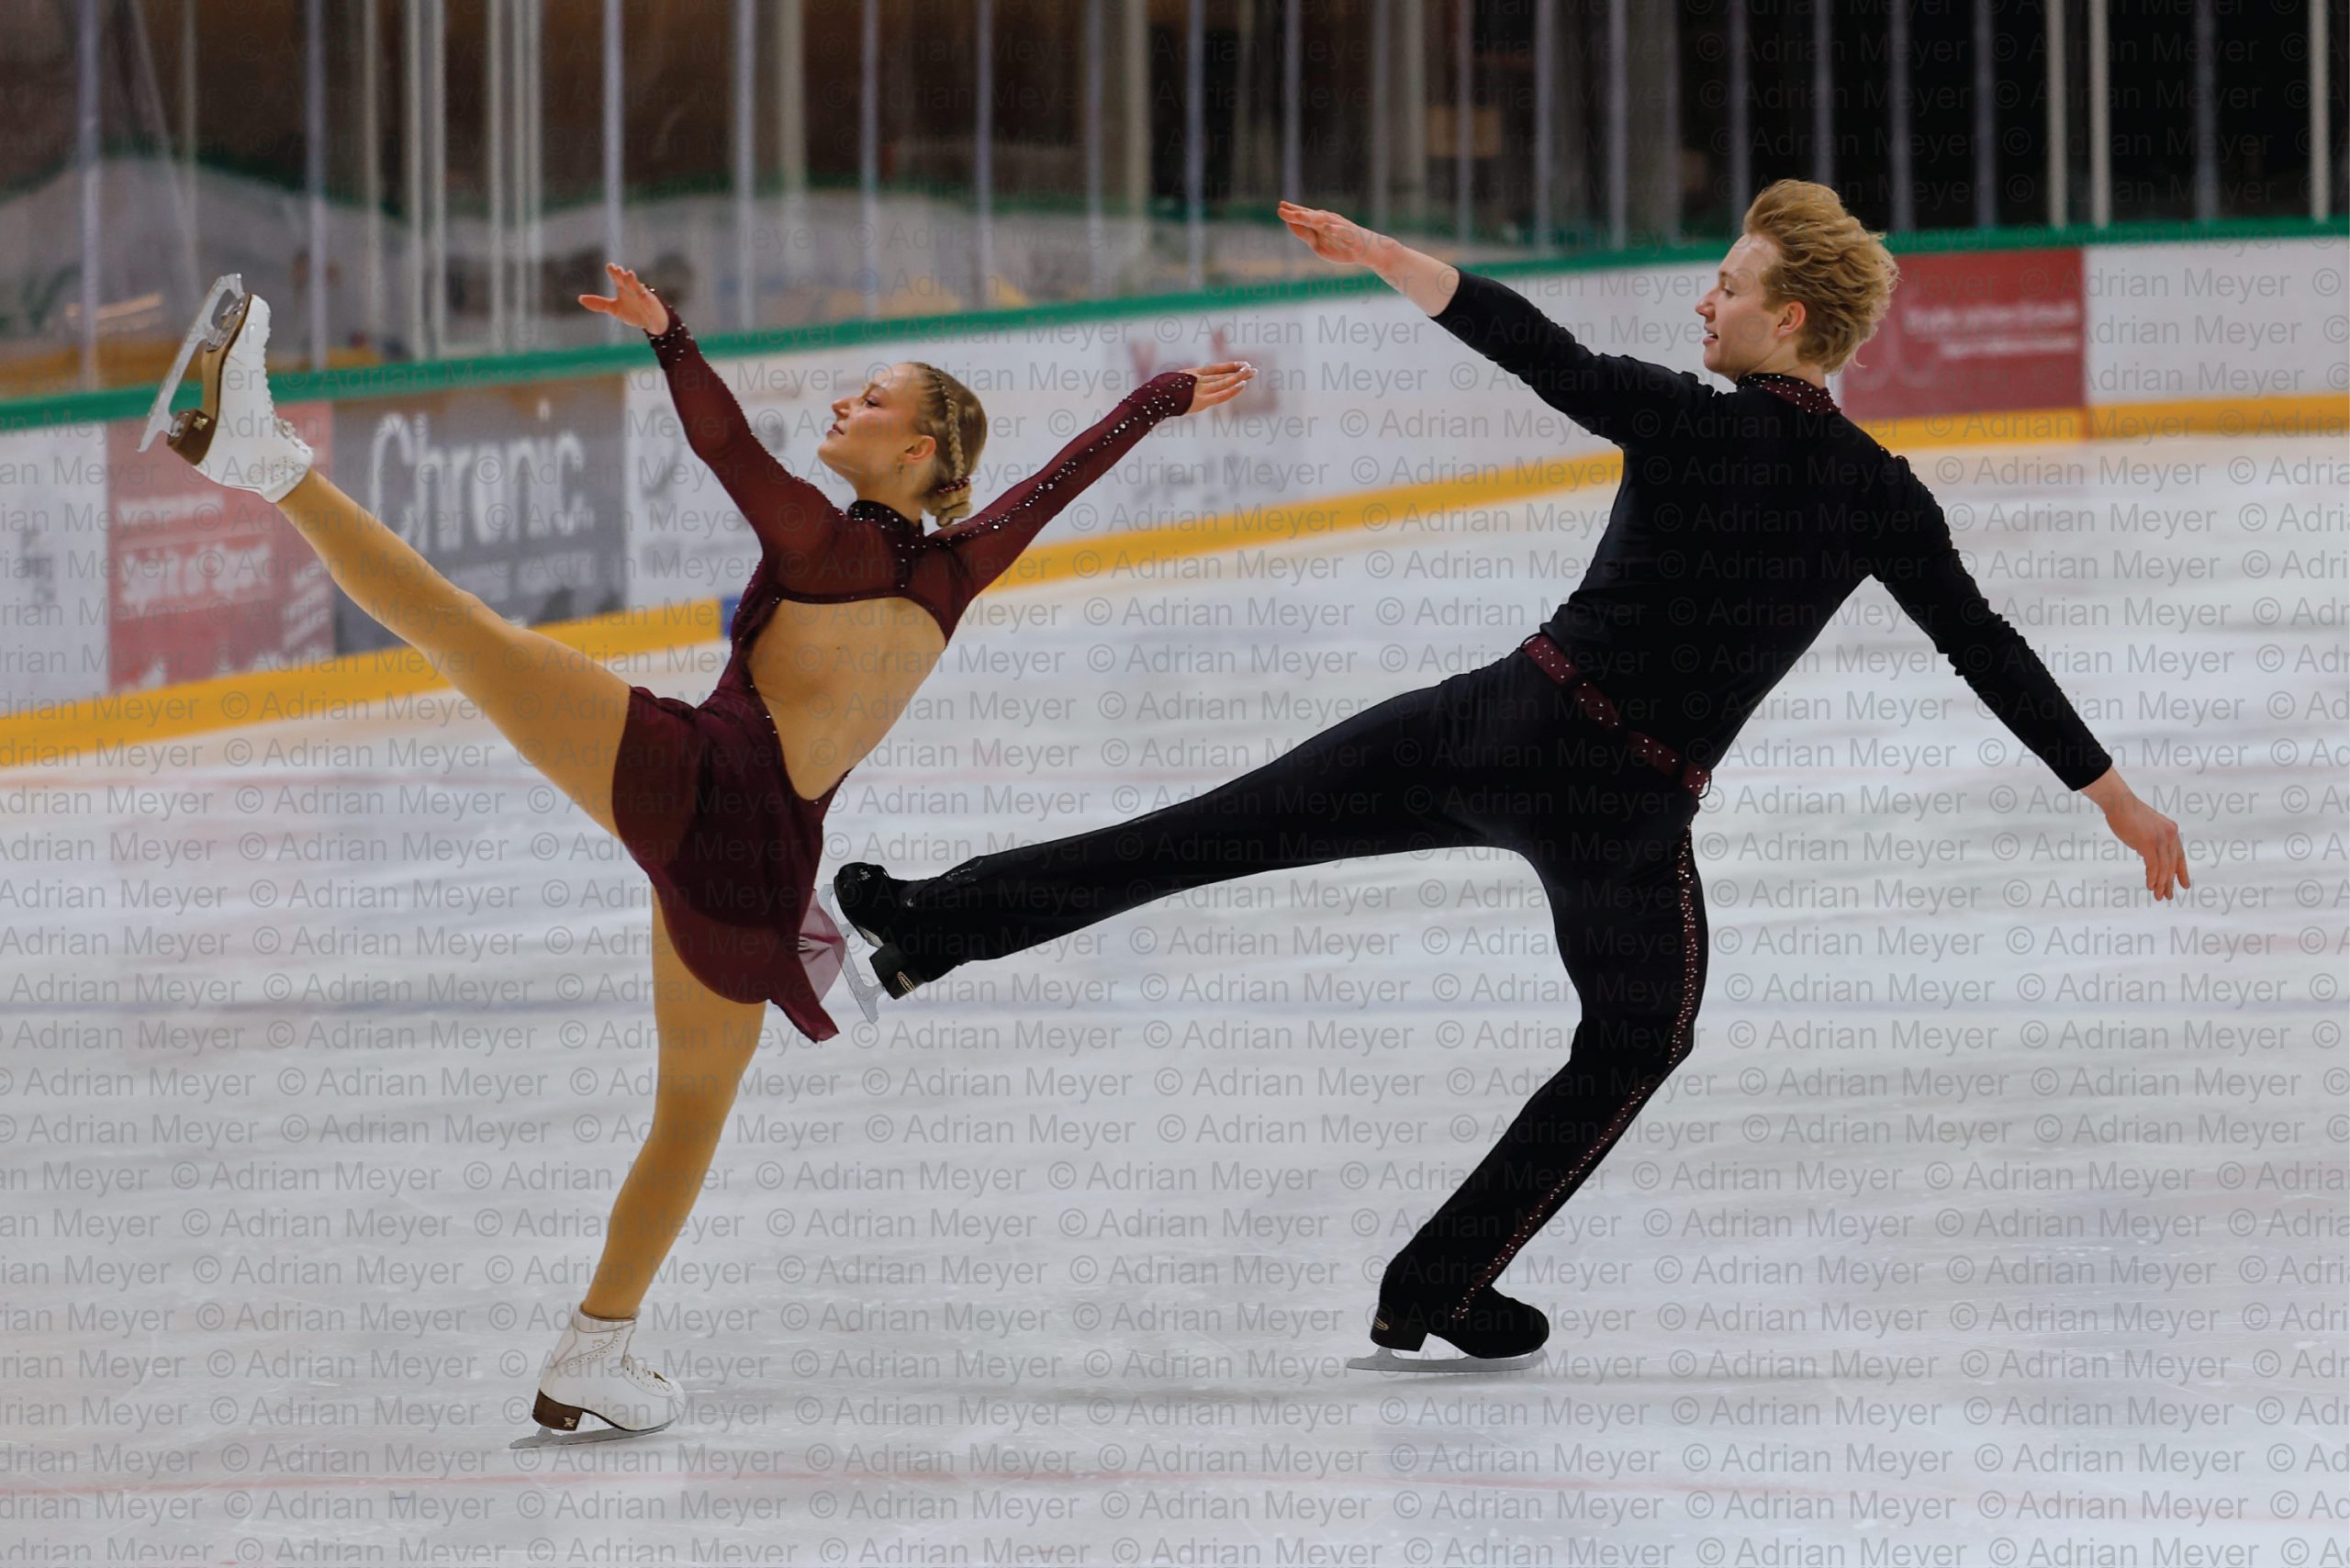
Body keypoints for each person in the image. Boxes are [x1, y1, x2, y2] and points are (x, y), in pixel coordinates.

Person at [836, 182, 2190, 1371]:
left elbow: (1536, 351)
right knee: (1639, 1038)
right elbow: (1985, 647)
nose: (1704, 297)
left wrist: (1385, 256)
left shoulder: (1686, 420)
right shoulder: (1879, 493)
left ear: (1788, 322)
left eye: (1729, 283)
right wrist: (2111, 794)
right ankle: (1441, 1280)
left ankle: (936, 926)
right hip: (1625, 808)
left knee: (1210, 833)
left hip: (1504, 727)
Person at [148, 264, 1252, 1439]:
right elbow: (1057, 483)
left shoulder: (825, 548)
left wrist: (672, 337)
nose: (839, 407)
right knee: (687, 1113)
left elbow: (728, 449)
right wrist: (1159, 399)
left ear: (919, 449)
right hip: (764, 871)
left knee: (460, 630)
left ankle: (257, 458)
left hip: (703, 786)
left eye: (867, 400)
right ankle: (593, 1353)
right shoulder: (954, 574)